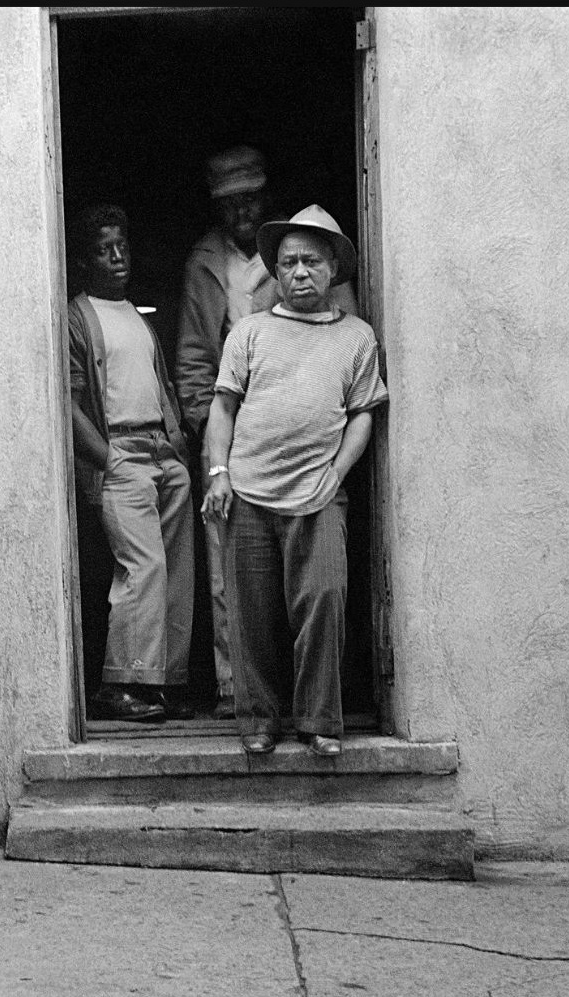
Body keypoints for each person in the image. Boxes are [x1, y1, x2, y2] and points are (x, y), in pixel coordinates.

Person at [175, 146, 360, 719]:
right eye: (229, 206)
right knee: (233, 580)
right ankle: (242, 696)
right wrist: (211, 431)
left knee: (315, 589)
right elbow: (192, 353)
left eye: (249, 202)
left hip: (309, 459)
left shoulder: (302, 262)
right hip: (237, 441)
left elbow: (349, 357)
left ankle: (313, 711)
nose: (240, 215)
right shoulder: (206, 260)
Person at [200, 205, 388, 757]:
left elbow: (365, 412)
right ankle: (257, 719)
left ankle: (319, 720)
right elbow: (223, 407)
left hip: (319, 495)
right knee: (250, 614)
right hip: (250, 491)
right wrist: (219, 473)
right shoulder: (251, 333)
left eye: (310, 261)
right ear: (275, 272)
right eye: (287, 263)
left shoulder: (356, 337)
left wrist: (336, 472)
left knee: (325, 600)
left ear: (333, 269)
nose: (299, 272)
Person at [67, 204, 196, 724]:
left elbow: (160, 386)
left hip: (161, 452)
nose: (118, 258)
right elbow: (69, 402)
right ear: (85, 260)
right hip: (118, 454)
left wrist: (178, 446)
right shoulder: (79, 316)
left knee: (175, 571)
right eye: (104, 249)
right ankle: (121, 684)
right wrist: (106, 458)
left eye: (122, 247)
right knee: (142, 568)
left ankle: (163, 682)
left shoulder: (138, 316)